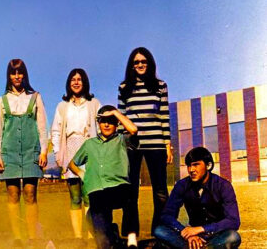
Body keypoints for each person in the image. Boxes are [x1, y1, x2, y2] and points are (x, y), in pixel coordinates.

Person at [118, 47, 172, 247]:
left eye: (143, 61)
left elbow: (164, 116)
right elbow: (121, 119)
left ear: (149, 63)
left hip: (156, 143)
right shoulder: (124, 87)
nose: (140, 65)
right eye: (136, 62)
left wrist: (168, 145)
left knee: (160, 191)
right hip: (132, 146)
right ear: (131, 66)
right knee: (131, 190)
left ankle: (160, 234)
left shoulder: (160, 86)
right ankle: (131, 234)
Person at [0, 59, 48, 246]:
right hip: (10, 154)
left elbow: (42, 127)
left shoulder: (35, 97)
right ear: (9, 76)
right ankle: (17, 238)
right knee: (13, 195)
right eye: (13, 73)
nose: (17, 76)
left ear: (25, 74)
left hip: (31, 151)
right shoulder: (1, 101)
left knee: (31, 194)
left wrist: (43, 151)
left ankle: (32, 238)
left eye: (20, 72)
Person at [69, 105, 138, 249]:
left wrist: (115, 112)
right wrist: (83, 175)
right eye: (103, 121)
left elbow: (133, 129)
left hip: (118, 186)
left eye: (111, 121)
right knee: (104, 243)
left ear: (117, 123)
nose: (106, 124)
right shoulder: (89, 144)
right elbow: (72, 163)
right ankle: (112, 236)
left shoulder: (122, 140)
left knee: (130, 196)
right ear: (98, 123)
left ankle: (132, 240)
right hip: (97, 190)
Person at [155, 147, 241, 249]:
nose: (191, 170)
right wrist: (185, 232)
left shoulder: (223, 186)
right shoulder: (182, 185)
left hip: (216, 234)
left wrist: (202, 229)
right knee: (159, 230)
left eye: (196, 165)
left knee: (233, 237)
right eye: (189, 166)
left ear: (208, 165)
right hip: (190, 236)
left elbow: (233, 221)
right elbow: (167, 215)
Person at [51, 68, 100, 239]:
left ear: (84, 82)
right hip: (70, 151)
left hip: (89, 150)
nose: (76, 82)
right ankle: (79, 238)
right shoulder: (62, 106)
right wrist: (58, 154)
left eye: (79, 79)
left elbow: (101, 128)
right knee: (75, 197)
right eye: (73, 79)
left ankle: (90, 235)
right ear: (69, 83)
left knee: (89, 196)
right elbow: (56, 131)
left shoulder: (93, 103)